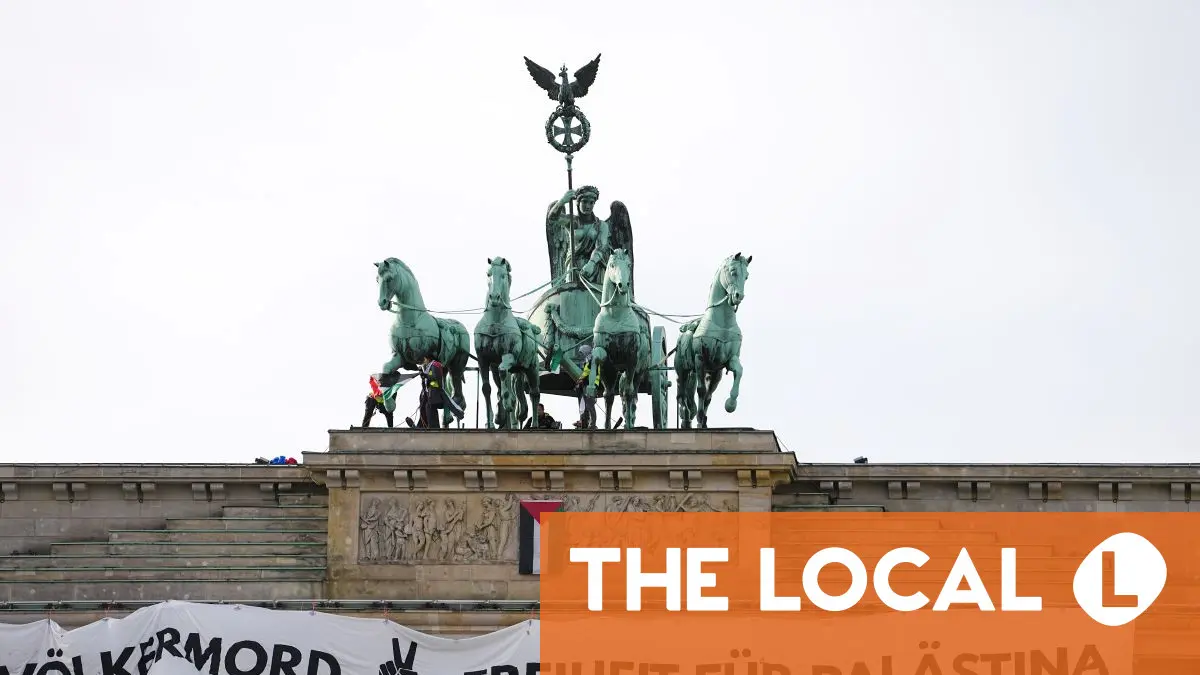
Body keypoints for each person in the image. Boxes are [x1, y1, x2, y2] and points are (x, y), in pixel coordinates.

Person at [417, 353, 465, 429]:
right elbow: (428, 379)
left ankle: (432, 427)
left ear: (428, 358)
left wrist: (425, 375)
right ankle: (428, 426)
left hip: (435, 393)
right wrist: (423, 375)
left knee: (429, 408)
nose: (424, 361)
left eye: (425, 359)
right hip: (431, 394)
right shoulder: (430, 366)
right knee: (428, 408)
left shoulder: (434, 365)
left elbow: (435, 377)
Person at [574, 345, 597, 429]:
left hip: (590, 386)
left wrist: (581, 380)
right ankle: (587, 423)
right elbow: (586, 372)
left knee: (590, 406)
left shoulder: (591, 361)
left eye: (582, 352)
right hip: (586, 386)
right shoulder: (588, 361)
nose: (582, 355)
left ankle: (592, 424)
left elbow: (588, 373)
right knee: (586, 406)